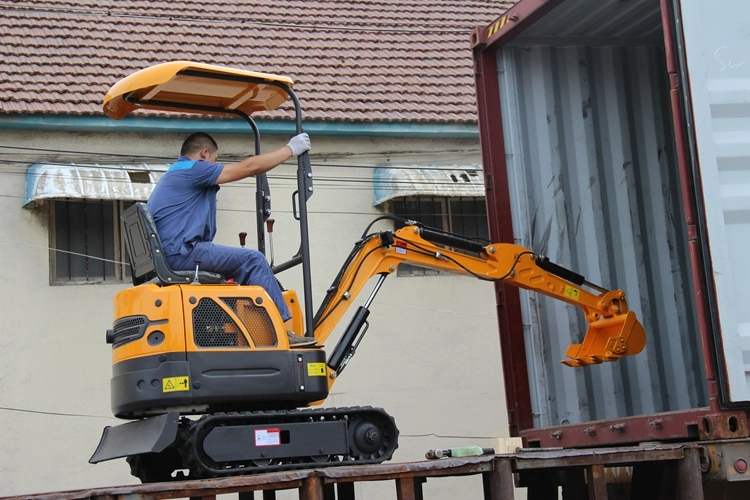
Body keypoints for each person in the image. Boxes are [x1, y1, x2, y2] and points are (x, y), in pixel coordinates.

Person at [147, 131, 316, 347]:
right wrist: (290, 149)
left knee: (240, 267)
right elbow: (248, 168)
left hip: (173, 255)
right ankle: (281, 332)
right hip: (183, 254)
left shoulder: (174, 175)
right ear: (204, 154)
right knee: (253, 260)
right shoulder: (193, 169)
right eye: (214, 162)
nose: (214, 168)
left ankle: (252, 327)